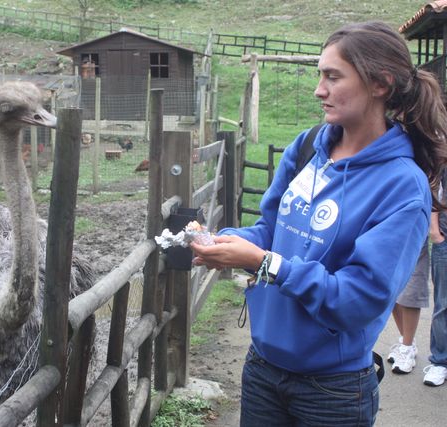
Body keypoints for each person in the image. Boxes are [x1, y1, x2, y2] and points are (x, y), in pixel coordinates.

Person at [191, 21, 447, 426]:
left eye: (333, 76)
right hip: (261, 370)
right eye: (319, 75)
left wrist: (264, 264)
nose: (319, 89)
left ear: (380, 84)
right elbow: (269, 231)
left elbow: (359, 300)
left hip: (331, 392)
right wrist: (225, 242)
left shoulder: (402, 186)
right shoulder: (309, 145)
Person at [388, 242, 430, 374]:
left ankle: (407, 347)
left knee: (411, 291)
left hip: (414, 233)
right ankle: (407, 343)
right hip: (391, 233)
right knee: (391, 289)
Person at [424, 173, 447, 387]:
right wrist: (435, 233)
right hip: (445, 239)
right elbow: (434, 186)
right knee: (443, 304)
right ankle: (440, 361)